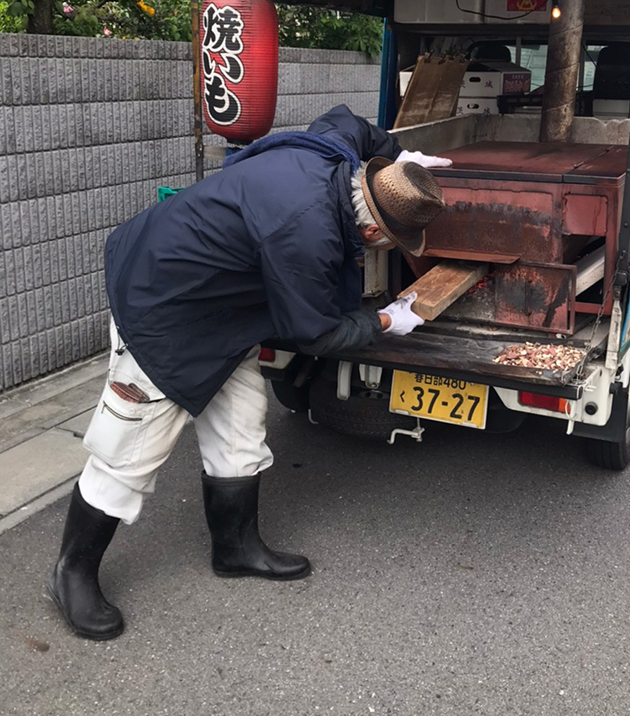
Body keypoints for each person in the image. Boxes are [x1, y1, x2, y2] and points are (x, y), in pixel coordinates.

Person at [48, 105, 450, 641]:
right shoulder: (306, 233)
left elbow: (345, 119)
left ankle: (235, 548)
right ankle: (71, 573)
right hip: (165, 306)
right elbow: (316, 333)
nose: (386, 249)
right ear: (374, 225)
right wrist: (384, 319)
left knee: (241, 422)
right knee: (130, 448)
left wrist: (401, 157)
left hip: (224, 311)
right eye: (390, 241)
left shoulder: (331, 154)